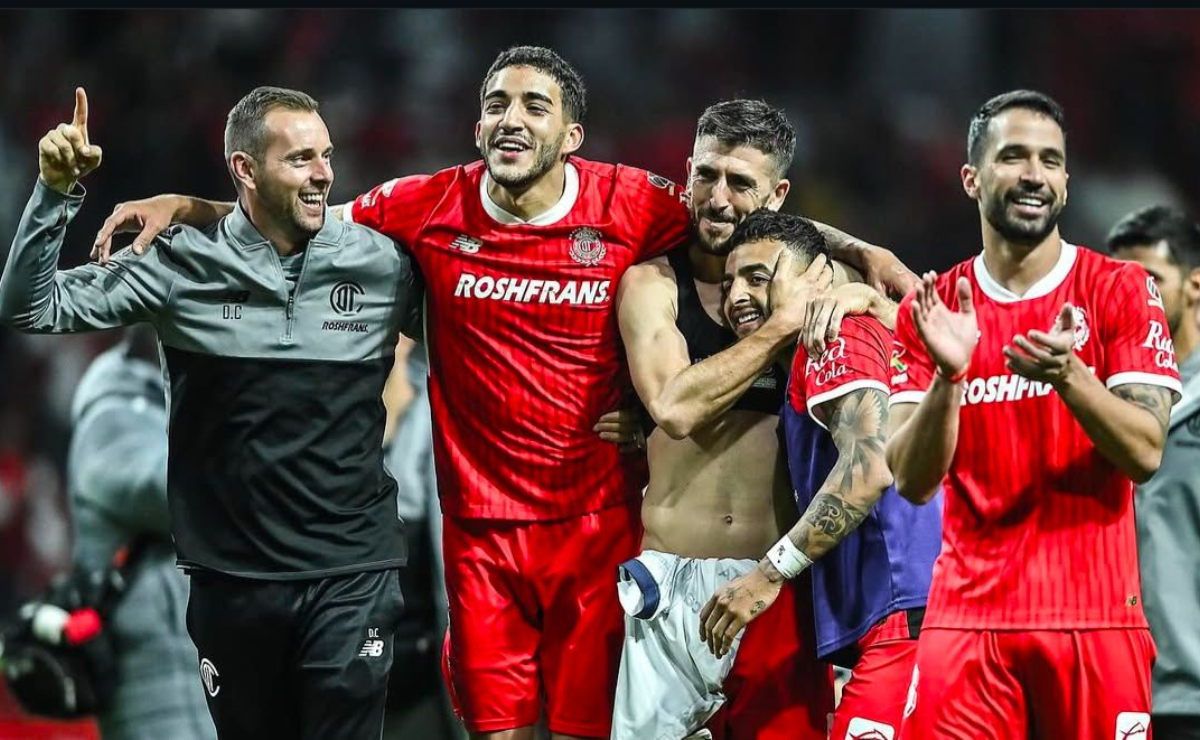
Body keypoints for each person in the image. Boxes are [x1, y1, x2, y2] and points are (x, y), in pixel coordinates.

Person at [88, 47, 918, 740]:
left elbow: (741, 219)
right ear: (476, 122)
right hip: (481, 540)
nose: (512, 117)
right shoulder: (423, 207)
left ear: (573, 134)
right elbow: (300, 212)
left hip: (599, 535)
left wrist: (856, 261)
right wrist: (195, 205)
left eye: (535, 104)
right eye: (496, 102)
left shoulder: (628, 204)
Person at [0, 86, 424, 740]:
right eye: (301, 158)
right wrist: (55, 193)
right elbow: (30, 307)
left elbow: (485, 326)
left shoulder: (381, 263)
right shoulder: (176, 267)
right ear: (246, 170)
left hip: (352, 574)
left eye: (327, 155)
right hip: (235, 582)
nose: (324, 174)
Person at [886, 90, 1181, 739]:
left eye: (1050, 160)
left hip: (1095, 619)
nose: (1033, 174)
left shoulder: (1120, 290)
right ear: (972, 177)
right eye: (1013, 156)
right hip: (967, 623)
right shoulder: (932, 313)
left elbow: (1146, 452)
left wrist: (1069, 376)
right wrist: (948, 376)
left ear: (1067, 184)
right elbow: (910, 479)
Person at [611, 101, 849, 740]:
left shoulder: (825, 285)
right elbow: (675, 409)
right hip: (665, 586)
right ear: (686, 172)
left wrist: (861, 288)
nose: (718, 199)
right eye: (707, 175)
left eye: (741, 183)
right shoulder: (652, 284)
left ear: (778, 194)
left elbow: (910, 305)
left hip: (771, 582)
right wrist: (781, 326)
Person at [697, 208, 941, 740]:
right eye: (731, 279)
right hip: (915, 614)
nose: (738, 293)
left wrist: (767, 574)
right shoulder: (847, 339)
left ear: (820, 279)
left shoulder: (833, 336)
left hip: (910, 614)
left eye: (759, 278)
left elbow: (867, 467)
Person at [65, 327, 217, 740]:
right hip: (153, 690)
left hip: (192, 676)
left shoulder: (174, 406)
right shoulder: (112, 414)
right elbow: (168, 492)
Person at [1107, 205, 1200, 740]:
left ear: (1194, 287)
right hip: (1112, 683)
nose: (1132, 296)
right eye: (1121, 281)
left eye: (1150, 281)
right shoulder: (1090, 397)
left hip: (1189, 693)